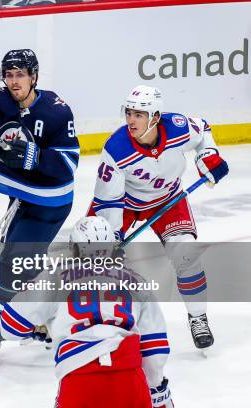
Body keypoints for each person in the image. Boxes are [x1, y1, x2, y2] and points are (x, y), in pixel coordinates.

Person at [0, 49, 79, 368]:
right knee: (18, 259)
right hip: (22, 195)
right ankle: (41, 318)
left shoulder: (56, 111)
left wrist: (32, 158)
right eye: (9, 75)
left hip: (50, 201)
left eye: (21, 75)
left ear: (34, 77)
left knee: (12, 263)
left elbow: (69, 163)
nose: (14, 82)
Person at [88, 85, 229, 349]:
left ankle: (197, 317)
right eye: (129, 112)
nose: (131, 119)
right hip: (125, 203)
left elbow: (203, 131)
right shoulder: (116, 148)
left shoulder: (177, 126)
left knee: (187, 255)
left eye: (139, 114)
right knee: (91, 258)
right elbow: (108, 199)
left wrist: (208, 156)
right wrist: (112, 236)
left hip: (168, 198)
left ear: (155, 117)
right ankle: (73, 319)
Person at [1, 216, 174, 408]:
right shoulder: (136, 281)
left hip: (79, 377)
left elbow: (9, 327)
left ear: (74, 247)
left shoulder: (56, 276)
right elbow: (154, 346)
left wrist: (37, 328)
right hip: (128, 378)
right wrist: (157, 390)